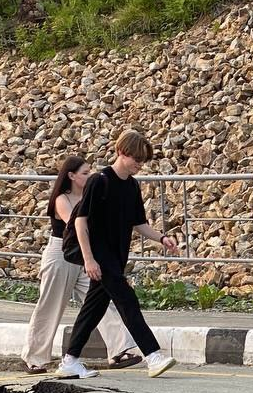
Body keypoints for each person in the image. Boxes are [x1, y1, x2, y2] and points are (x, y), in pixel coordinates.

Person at [56, 130, 180, 379]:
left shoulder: (132, 186)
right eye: (136, 159)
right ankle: (153, 355)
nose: (139, 165)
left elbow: (139, 223)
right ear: (121, 152)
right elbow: (80, 222)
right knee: (127, 300)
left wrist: (162, 238)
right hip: (99, 255)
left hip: (116, 255)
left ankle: (69, 360)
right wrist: (89, 259)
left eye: (143, 161)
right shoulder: (99, 180)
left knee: (94, 307)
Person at [22, 154, 142, 374]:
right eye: (85, 173)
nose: (90, 176)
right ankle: (35, 358)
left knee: (102, 300)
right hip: (62, 254)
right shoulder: (62, 199)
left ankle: (120, 349)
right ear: (71, 176)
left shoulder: (92, 194)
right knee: (51, 305)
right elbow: (75, 225)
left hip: (89, 254)